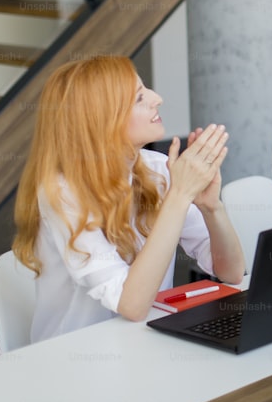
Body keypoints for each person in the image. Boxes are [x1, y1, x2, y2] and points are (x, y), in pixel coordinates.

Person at [12, 56, 245, 343]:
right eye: (139, 98)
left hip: (144, 341)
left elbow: (231, 272)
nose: (157, 99)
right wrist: (180, 195)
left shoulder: (158, 169)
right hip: (75, 359)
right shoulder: (62, 194)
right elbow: (131, 305)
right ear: (100, 119)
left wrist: (211, 207)